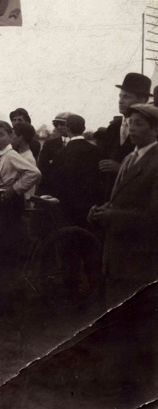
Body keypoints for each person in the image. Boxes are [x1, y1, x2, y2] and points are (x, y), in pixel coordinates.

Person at [89, 102, 158, 306]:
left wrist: (113, 215)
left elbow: (154, 217)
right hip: (117, 258)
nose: (132, 128)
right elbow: (122, 199)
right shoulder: (129, 158)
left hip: (140, 261)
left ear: (155, 129)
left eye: (138, 124)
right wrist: (102, 210)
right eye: (129, 123)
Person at [0, 120, 42, 314]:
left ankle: (7, 305)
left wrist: (15, 189)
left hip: (10, 206)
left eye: (1, 135)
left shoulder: (11, 155)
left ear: (9, 136)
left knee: (5, 252)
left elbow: (34, 173)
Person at [51, 114, 106, 230]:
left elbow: (57, 182)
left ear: (68, 129)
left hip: (68, 205)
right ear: (84, 129)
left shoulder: (60, 153)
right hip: (91, 204)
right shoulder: (96, 150)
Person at [101, 72, 151, 195]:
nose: (120, 101)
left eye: (126, 96)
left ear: (142, 100)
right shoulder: (113, 128)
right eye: (120, 96)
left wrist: (120, 168)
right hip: (110, 198)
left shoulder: (152, 129)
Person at [37, 112, 72, 196]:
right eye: (57, 125)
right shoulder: (49, 144)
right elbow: (42, 166)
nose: (59, 127)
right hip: (52, 189)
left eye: (63, 124)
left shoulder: (79, 144)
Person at [11, 122, 38, 200]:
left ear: (20, 138)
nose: (11, 139)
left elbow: (26, 186)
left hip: (23, 201)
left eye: (13, 135)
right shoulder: (19, 154)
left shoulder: (28, 158)